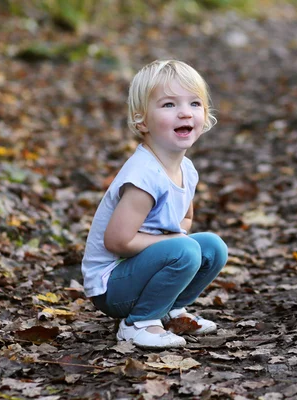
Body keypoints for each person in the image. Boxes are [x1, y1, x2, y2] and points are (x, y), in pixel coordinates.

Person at [81, 60, 228, 349]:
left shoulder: (187, 169)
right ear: (142, 121)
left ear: (205, 116)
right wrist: (171, 243)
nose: (185, 112)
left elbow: (185, 221)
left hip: (143, 270)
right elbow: (117, 241)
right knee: (184, 248)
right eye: (169, 105)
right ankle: (138, 322)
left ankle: (171, 311)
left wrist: (173, 240)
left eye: (194, 103)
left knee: (212, 246)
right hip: (112, 286)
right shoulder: (144, 175)